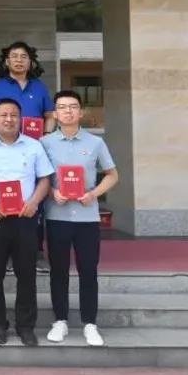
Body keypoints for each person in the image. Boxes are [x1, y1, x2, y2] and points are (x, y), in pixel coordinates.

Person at [0, 98, 54, 347]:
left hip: (25, 219)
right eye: (3, 115)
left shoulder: (34, 146)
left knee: (26, 274)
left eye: (14, 115)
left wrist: (34, 202)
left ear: (20, 119)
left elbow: (45, 179)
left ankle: (25, 326)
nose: (9, 119)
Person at [41, 90, 118, 347]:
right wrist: (52, 193)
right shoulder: (45, 143)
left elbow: (112, 174)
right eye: (62, 107)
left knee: (88, 270)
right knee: (58, 271)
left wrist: (94, 194)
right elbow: (40, 177)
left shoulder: (95, 143)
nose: (68, 111)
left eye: (73, 107)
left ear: (81, 112)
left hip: (87, 217)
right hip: (57, 215)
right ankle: (60, 320)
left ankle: (90, 323)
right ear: (55, 114)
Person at [0, 41, 56, 273]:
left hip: (32, 149)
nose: (18, 60)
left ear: (30, 61)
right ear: (6, 61)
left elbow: (50, 115)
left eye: (23, 56)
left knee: (34, 199)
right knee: (4, 194)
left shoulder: (39, 87)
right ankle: (5, 253)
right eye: (14, 56)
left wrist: (45, 136)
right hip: (5, 148)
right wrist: (2, 134)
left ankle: (36, 251)